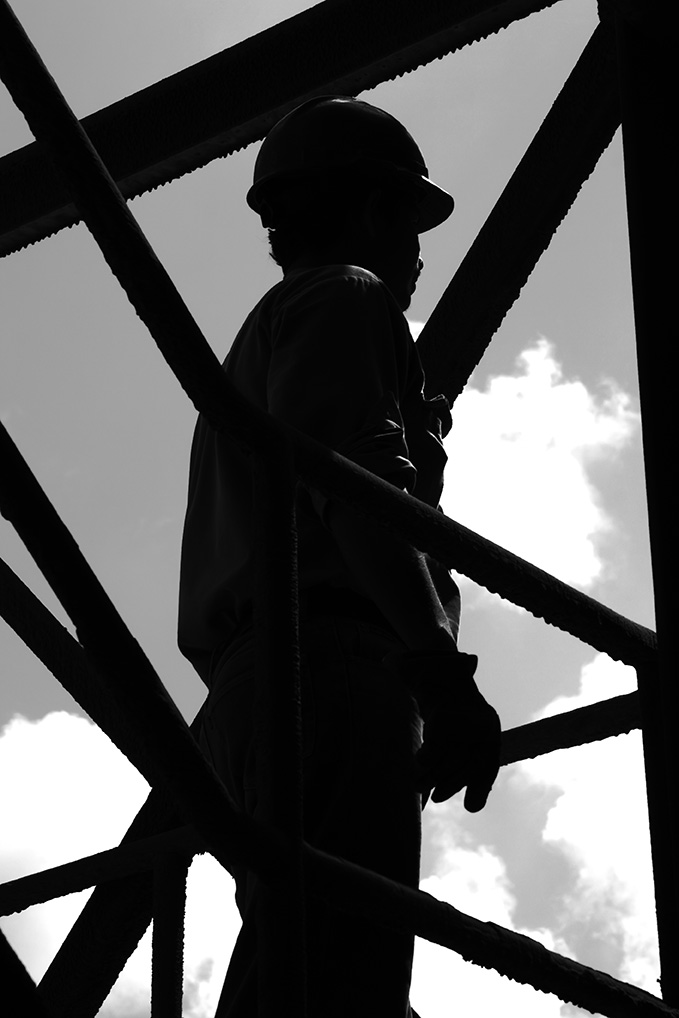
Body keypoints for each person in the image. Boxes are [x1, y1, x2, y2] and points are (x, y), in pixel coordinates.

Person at [178, 96, 501, 1018]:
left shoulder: (266, 333)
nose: (418, 252)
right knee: (338, 976)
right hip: (330, 667)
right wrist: (438, 672)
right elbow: (356, 488)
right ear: (368, 212)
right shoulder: (348, 297)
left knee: (309, 961)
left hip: (252, 692)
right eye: (408, 219)